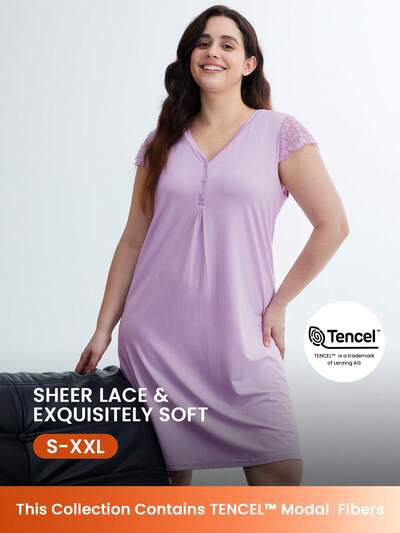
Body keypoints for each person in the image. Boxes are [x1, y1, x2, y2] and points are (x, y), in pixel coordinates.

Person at [75, 6, 349, 486]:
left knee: (281, 479)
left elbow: (333, 224)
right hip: (157, 340)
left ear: (248, 63)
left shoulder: (280, 133)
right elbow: (133, 240)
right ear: (189, 58)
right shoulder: (160, 143)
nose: (213, 52)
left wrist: (280, 303)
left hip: (242, 339)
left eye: (227, 44)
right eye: (202, 43)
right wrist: (103, 328)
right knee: (168, 492)